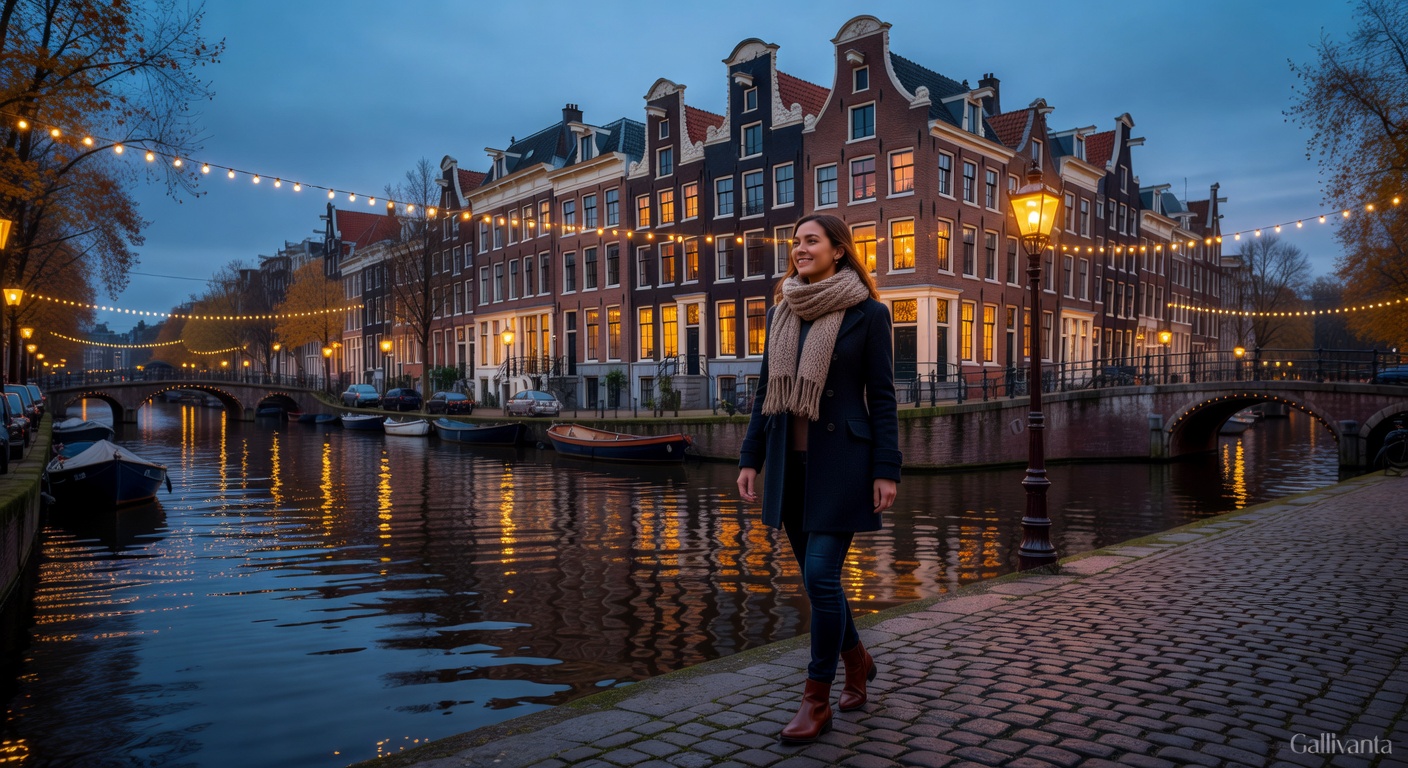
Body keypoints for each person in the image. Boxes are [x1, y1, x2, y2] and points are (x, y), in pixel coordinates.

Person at [736, 213, 901, 744]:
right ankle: (858, 662)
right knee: (816, 581)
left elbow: (883, 397)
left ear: (838, 249)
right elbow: (765, 393)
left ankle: (816, 698)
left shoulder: (869, 313)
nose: (800, 249)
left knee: (822, 577)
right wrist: (749, 459)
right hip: (790, 466)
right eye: (796, 242)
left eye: (811, 240)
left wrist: (886, 469)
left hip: (844, 465)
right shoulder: (781, 311)